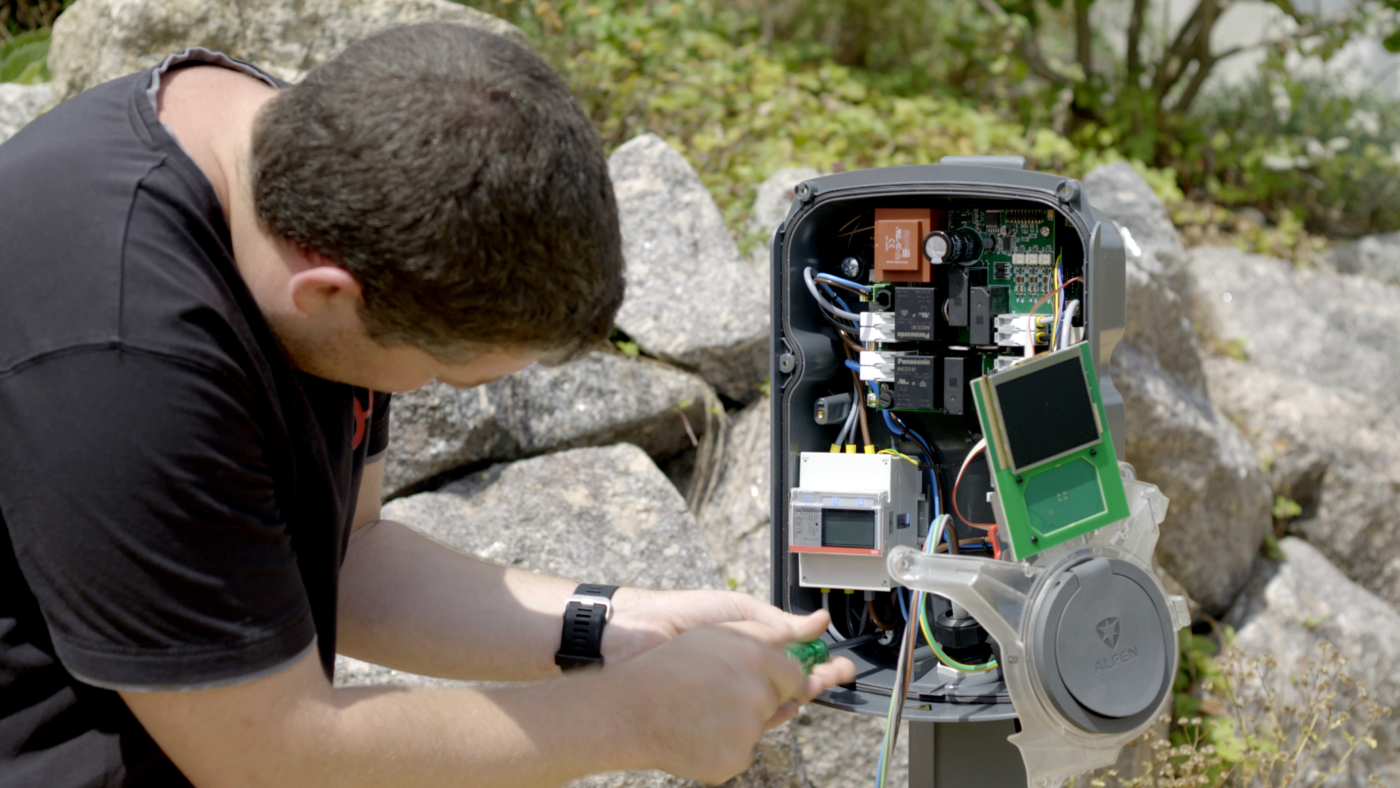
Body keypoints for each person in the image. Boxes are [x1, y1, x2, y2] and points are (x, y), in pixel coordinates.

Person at [0, 22, 855, 788]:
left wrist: (622, 624)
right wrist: (634, 717)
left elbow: (349, 556)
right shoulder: (121, 357)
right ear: (328, 291)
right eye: (450, 376)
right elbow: (268, 756)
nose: (428, 391)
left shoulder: (327, 161)